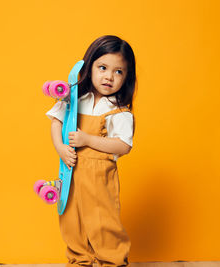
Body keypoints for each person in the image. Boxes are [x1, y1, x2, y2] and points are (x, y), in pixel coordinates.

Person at [46, 35, 136, 267]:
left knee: (103, 223)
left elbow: (123, 145)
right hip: (71, 173)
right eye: (103, 68)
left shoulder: (119, 111)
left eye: (118, 72)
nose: (109, 76)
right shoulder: (75, 98)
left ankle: (111, 261)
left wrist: (87, 139)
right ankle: (79, 260)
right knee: (72, 221)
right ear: (90, 67)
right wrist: (60, 148)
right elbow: (56, 121)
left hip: (99, 178)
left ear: (126, 78)